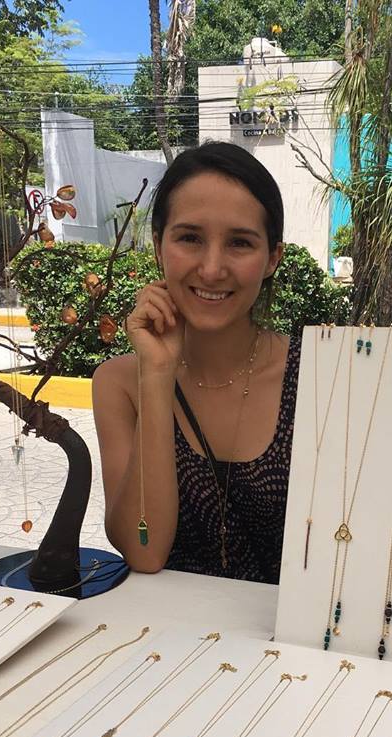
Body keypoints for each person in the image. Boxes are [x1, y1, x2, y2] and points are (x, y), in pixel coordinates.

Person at [93, 142, 299, 585]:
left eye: (240, 243)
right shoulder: (119, 382)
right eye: (190, 238)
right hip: (168, 628)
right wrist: (157, 374)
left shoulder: (315, 378)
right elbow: (143, 551)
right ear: (158, 246)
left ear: (272, 259)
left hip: (289, 630)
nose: (211, 269)